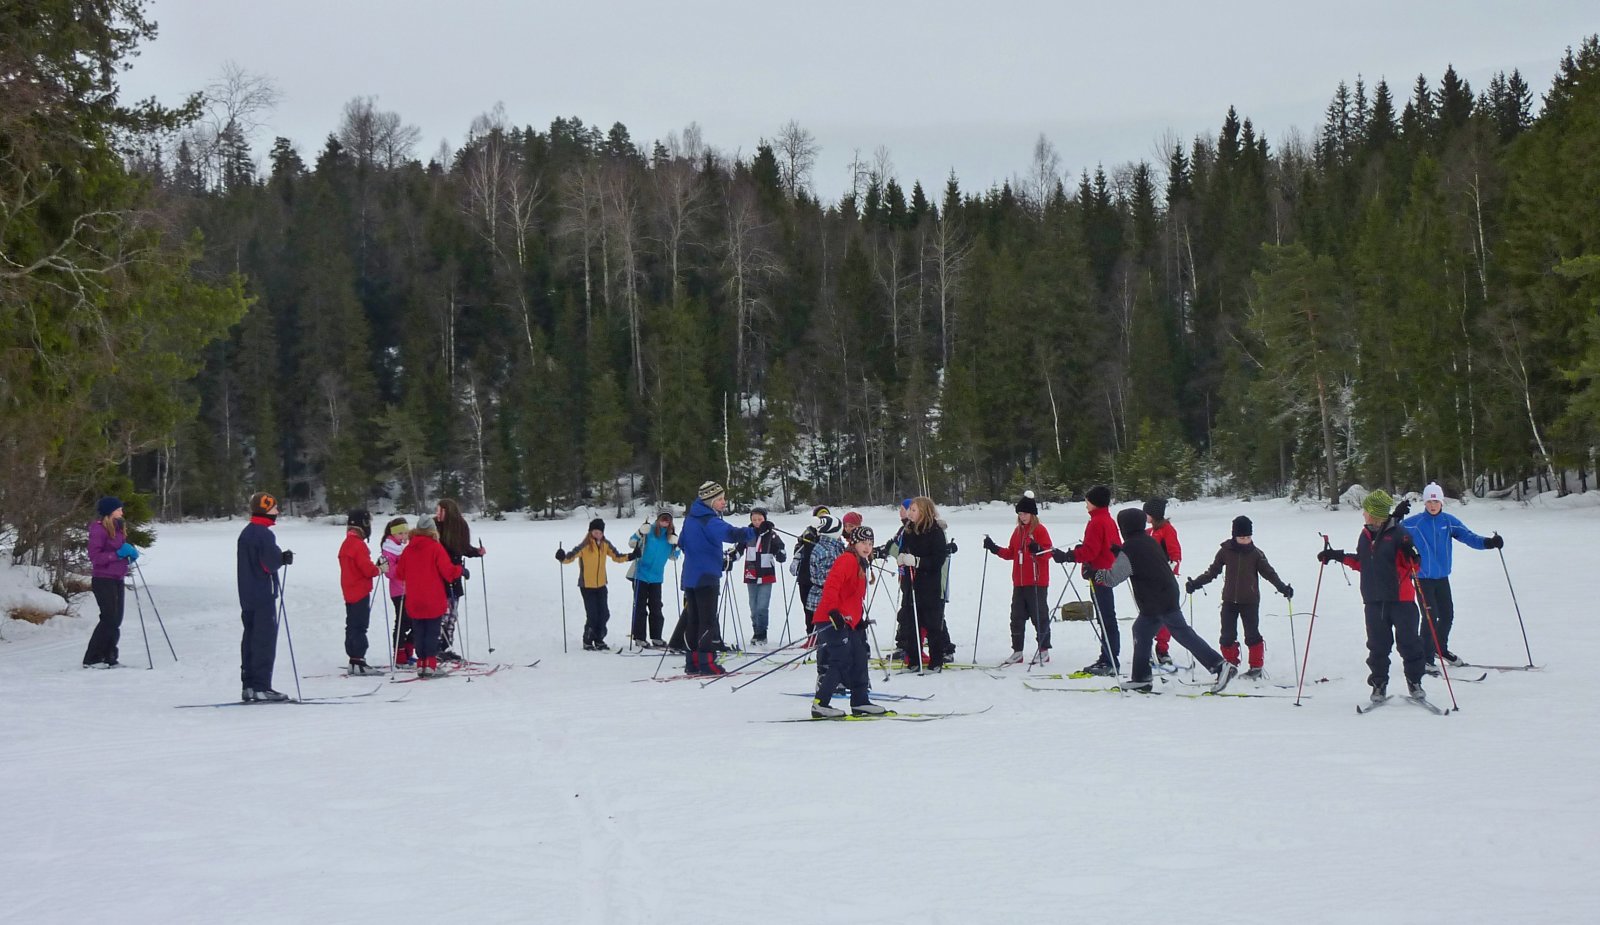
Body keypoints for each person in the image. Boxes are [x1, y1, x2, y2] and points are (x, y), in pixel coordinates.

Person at [1104, 508, 1237, 694]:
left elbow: (1113, 578)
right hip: (1161, 596)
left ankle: (1220, 666)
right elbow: (1140, 560)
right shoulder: (1147, 540)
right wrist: (1120, 553)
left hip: (1158, 599)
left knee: (1182, 633)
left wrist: (1094, 573)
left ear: (1125, 527)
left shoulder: (1131, 547)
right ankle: (1141, 679)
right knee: (1141, 630)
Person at [1318, 489, 1428, 703]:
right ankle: (1379, 684)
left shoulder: (1399, 534)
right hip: (1374, 600)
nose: (1363, 514)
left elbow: (1414, 567)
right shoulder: (1365, 535)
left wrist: (1412, 555)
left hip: (1401, 600)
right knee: (1377, 646)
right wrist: (1337, 556)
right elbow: (1363, 562)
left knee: (1409, 644)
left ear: (1375, 514)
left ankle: (1415, 682)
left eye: (1366, 510)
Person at [1401, 482, 1502, 672]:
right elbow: (1392, 535)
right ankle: (1425, 658)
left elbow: (1468, 536)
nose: (1433, 505)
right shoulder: (1413, 523)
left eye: (1436, 501)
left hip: (1442, 577)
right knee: (1430, 617)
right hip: (1422, 578)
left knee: (1447, 615)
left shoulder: (1448, 521)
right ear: (1424, 503)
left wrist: (1488, 543)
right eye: (1429, 502)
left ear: (1441, 502)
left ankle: (1440, 649)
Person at [1184, 516, 1293, 680]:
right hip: (1229, 601)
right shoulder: (1225, 551)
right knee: (1227, 636)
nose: (1245, 541)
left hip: (1250, 601)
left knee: (1252, 635)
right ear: (1234, 536)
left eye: (1248, 537)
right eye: (1242, 537)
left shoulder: (1256, 554)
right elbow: (1212, 571)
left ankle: (1256, 668)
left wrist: (1283, 588)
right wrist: (1196, 583)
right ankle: (1230, 665)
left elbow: (1269, 573)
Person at [678, 481, 758, 675]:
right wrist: (755, 530)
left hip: (690, 576)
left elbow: (682, 543)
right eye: (720, 499)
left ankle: (693, 662)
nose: (724, 502)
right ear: (709, 501)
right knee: (707, 621)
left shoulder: (690, 518)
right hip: (706, 576)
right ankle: (707, 663)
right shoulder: (708, 519)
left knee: (694, 620)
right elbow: (731, 534)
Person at [810, 525, 888, 718]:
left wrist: (858, 620)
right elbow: (831, 587)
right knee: (841, 660)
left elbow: (853, 598)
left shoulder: (861, 563)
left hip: (849, 621)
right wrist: (833, 612)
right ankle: (820, 703)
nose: (867, 547)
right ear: (853, 543)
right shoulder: (847, 560)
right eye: (863, 543)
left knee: (860, 656)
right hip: (831, 619)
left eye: (870, 543)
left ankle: (860, 701)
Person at [1054, 485, 1122, 675]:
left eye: (1087, 501)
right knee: (1106, 617)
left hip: (1099, 575)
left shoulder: (1097, 522)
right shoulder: (1108, 520)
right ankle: (1107, 657)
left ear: (1095, 502)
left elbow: (1090, 551)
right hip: (1106, 573)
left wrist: (1068, 556)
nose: (1086, 505)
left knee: (1106, 618)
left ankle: (1109, 660)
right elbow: (1107, 547)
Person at [983, 491, 1053, 665]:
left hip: (1036, 582)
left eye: (1025, 514)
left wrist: (1038, 549)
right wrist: (994, 548)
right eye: (1020, 514)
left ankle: (1043, 650)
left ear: (1033, 514)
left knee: (1039, 616)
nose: (1022, 517)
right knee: (1016, 617)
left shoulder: (1040, 530)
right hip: (1019, 582)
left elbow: (1048, 553)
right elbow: (1011, 553)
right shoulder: (1018, 531)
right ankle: (1017, 651)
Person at [237, 492, 292, 701]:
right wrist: (282, 558)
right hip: (263, 594)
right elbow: (269, 563)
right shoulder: (264, 534)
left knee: (250, 639)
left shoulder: (246, 532)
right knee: (264, 640)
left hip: (247, 594)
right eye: (274, 508)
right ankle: (261, 687)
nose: (277, 511)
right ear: (265, 510)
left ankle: (249, 685)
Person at [392, 518, 462, 678]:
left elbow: (400, 573)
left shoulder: (408, 549)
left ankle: (421, 664)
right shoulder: (436, 548)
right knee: (432, 631)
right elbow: (448, 572)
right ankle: (430, 664)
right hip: (433, 598)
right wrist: (460, 570)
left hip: (414, 599)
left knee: (419, 632)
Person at [896, 496, 954, 670]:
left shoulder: (935, 531)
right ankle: (914, 659)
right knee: (911, 621)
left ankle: (936, 659)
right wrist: (901, 557)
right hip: (911, 582)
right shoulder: (908, 530)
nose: (910, 513)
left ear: (923, 512)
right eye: (910, 510)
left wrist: (918, 561)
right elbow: (903, 548)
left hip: (929, 584)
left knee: (932, 623)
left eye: (914, 510)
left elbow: (938, 559)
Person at [558, 518, 632, 651]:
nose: (598, 534)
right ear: (590, 532)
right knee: (592, 615)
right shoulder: (585, 545)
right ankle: (587, 640)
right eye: (595, 532)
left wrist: (630, 556)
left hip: (601, 585)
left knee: (604, 614)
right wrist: (562, 558)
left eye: (600, 532)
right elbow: (571, 556)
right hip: (587, 586)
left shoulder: (605, 544)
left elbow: (617, 556)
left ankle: (599, 639)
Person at [83, 496, 136, 668]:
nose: (122, 512)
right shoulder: (98, 529)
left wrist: (129, 556)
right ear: (110, 511)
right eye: (119, 509)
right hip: (103, 579)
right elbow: (95, 557)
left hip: (117, 578)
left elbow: (120, 552)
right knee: (109, 618)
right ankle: (92, 658)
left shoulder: (118, 528)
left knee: (116, 619)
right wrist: (118, 555)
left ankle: (109, 656)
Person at [433, 498, 485, 662]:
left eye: (440, 510)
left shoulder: (459, 526)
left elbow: (463, 547)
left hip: (454, 575)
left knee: (452, 615)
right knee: (442, 613)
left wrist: (476, 552)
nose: (437, 514)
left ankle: (447, 647)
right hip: (439, 576)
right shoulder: (434, 526)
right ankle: (436, 648)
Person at [337, 509, 386, 674]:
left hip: (349, 590)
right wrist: (379, 569)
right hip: (359, 590)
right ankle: (358, 659)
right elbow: (367, 569)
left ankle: (354, 659)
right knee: (359, 625)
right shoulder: (358, 545)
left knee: (351, 625)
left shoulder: (346, 543)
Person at [731, 507, 786, 645]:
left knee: (762, 606)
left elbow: (780, 548)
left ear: (764, 519)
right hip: (751, 573)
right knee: (753, 607)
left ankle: (762, 634)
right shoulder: (747, 534)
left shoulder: (771, 534)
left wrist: (780, 554)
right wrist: (731, 557)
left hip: (766, 573)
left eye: (759, 519)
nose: (756, 522)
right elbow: (738, 550)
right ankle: (756, 631)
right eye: (754, 519)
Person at [627, 509, 680, 647]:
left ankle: (656, 637)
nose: (665, 521)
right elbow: (631, 543)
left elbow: (673, 557)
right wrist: (640, 532)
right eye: (663, 518)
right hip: (640, 574)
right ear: (658, 519)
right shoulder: (648, 530)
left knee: (656, 607)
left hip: (656, 577)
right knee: (640, 607)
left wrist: (677, 546)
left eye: (668, 519)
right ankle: (639, 637)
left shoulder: (670, 536)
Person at [1144, 498, 1182, 668]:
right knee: (1148, 616)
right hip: (1148, 581)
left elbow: (1175, 555)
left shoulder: (1167, 530)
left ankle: (1162, 650)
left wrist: (1168, 572)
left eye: (1147, 513)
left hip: (1164, 582)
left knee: (1165, 617)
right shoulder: (1148, 532)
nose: (1145, 516)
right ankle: (1146, 650)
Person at [380, 518, 412, 665]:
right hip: (398, 591)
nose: (404, 536)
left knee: (414, 621)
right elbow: (389, 572)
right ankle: (399, 655)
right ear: (393, 534)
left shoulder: (402, 547)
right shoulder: (389, 548)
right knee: (402, 622)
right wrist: (403, 566)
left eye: (405, 533)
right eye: (400, 533)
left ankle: (408, 650)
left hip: (410, 589)